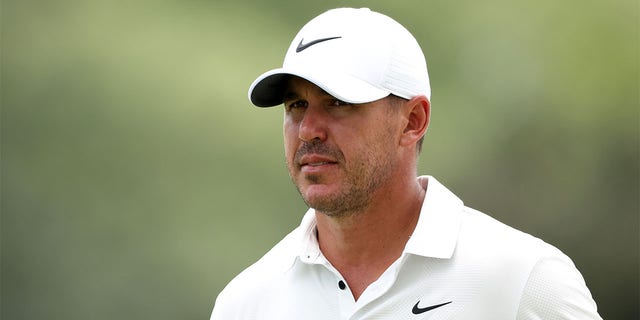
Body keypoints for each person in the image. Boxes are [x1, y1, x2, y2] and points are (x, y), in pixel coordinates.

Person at [210, 7, 602, 319]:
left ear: (413, 122)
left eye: (338, 103)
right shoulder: (245, 303)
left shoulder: (524, 280)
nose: (309, 129)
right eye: (297, 105)